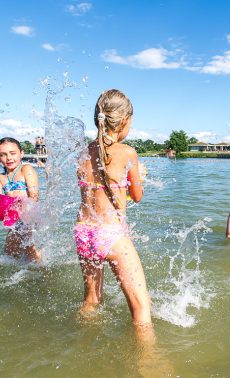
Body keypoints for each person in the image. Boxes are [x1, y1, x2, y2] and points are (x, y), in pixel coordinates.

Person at [74, 89, 152, 336]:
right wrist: (140, 178)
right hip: (110, 235)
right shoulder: (128, 153)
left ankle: (81, 347)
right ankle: (150, 366)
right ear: (125, 120)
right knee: (141, 310)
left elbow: (95, 191)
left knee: (91, 302)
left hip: (83, 233)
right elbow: (137, 197)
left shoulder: (83, 152)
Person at [0, 137, 40, 262]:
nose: (8, 158)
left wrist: (23, 209)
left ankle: (42, 272)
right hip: (14, 220)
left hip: (29, 216)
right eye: (3, 155)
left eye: (13, 153)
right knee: (9, 251)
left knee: (30, 250)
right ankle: (18, 275)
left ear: (21, 153)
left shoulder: (26, 169)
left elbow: (34, 196)